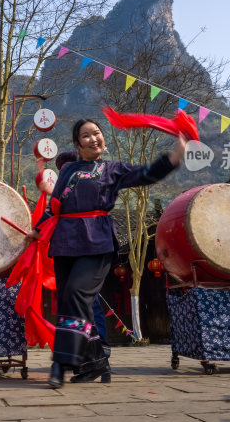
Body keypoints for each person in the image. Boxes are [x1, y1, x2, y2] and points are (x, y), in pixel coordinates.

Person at [29, 119, 185, 388]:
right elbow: (56, 205)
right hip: (66, 243)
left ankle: (61, 362)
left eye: (96, 133)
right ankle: (94, 362)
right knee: (71, 302)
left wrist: (174, 157)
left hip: (96, 241)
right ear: (78, 144)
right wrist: (37, 229)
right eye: (86, 136)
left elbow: (146, 172)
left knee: (77, 294)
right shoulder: (69, 171)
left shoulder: (113, 169)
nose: (93, 139)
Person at [38, 150, 112, 383]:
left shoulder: (93, 181)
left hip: (90, 250)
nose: (67, 173)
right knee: (76, 308)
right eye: (62, 170)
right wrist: (36, 231)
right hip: (66, 250)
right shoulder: (63, 188)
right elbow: (51, 211)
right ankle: (96, 363)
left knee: (85, 306)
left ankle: (98, 357)